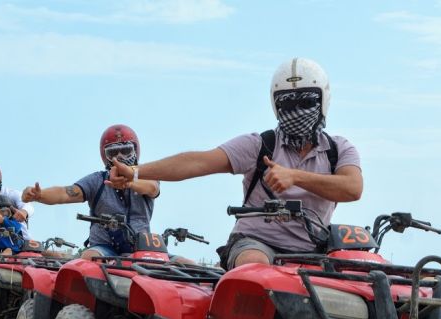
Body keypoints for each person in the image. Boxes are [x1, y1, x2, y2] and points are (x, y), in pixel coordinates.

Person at [107, 58, 363, 269]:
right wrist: (137, 172)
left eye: (306, 102)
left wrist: (295, 177)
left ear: (323, 102)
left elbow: (352, 188)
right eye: (288, 103)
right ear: (276, 105)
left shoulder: (338, 149)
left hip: (314, 249)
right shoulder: (259, 145)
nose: (297, 111)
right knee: (255, 268)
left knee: (364, 275)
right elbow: (198, 162)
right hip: (257, 242)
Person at [21, 124, 161, 260]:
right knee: (88, 258)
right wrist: (40, 195)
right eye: (112, 153)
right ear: (105, 156)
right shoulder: (96, 181)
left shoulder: (146, 175)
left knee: (181, 263)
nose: (120, 158)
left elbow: (153, 188)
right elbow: (66, 193)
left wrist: (129, 181)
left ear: (135, 151)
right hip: (104, 248)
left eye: (125, 151)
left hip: (142, 248)